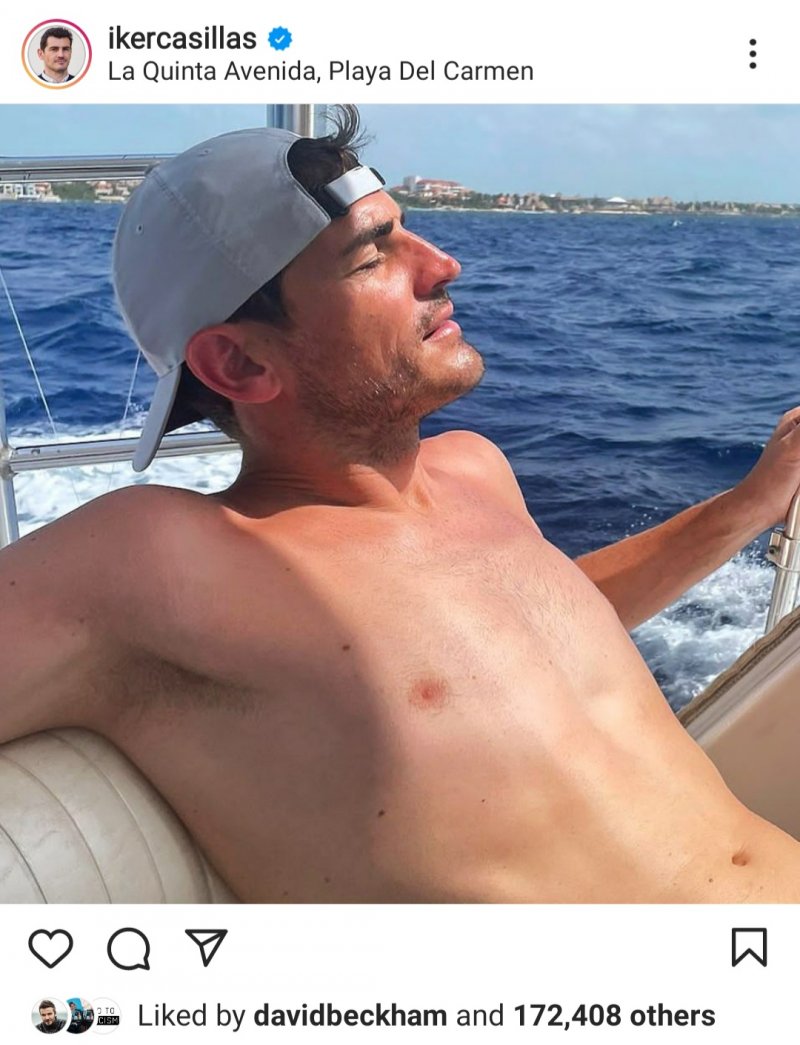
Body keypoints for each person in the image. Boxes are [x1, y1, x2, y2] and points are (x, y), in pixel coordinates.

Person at [3, 109, 800, 903]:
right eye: (370, 256)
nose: (444, 264)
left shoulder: (475, 469)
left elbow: (536, 631)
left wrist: (753, 502)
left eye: (407, 230)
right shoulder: (159, 558)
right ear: (240, 363)